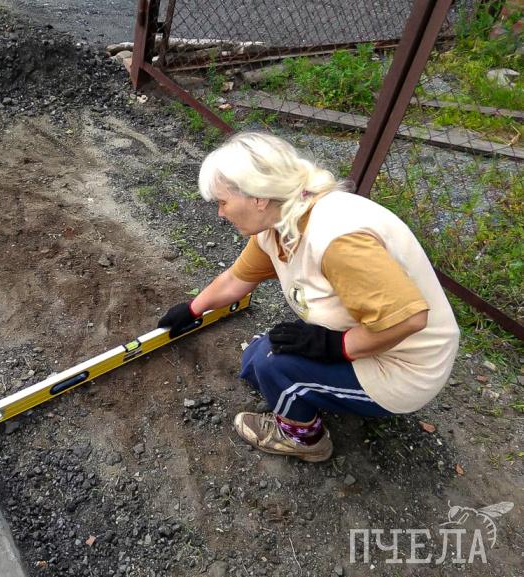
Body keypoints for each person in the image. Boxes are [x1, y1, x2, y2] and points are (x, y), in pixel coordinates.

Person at [158, 132, 459, 463]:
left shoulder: (337, 240)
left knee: (271, 364)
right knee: (255, 362)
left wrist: (334, 347)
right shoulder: (279, 221)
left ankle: (305, 440)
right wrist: (193, 309)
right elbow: (235, 279)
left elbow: (410, 319)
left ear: (258, 198)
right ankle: (310, 389)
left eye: (222, 202)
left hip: (403, 367)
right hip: (372, 338)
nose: (220, 213)